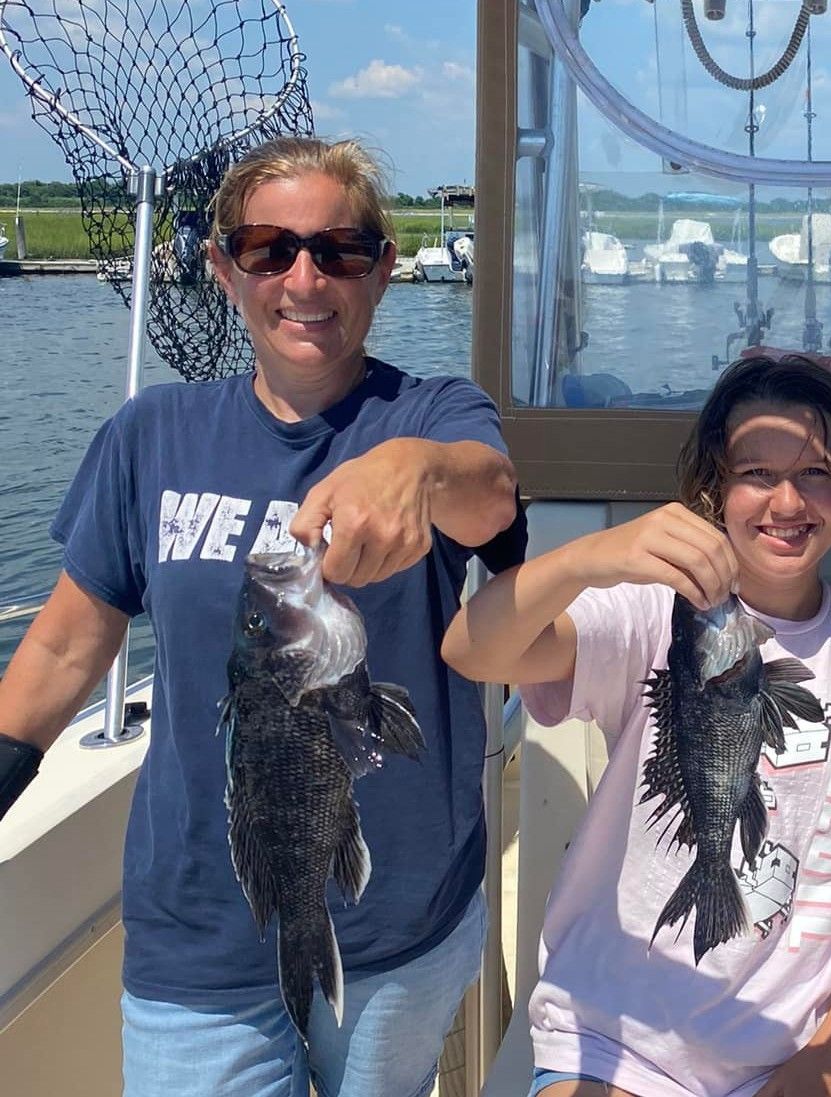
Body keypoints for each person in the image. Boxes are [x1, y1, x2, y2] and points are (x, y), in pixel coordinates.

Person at [0, 136, 524, 1097]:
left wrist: (420, 468)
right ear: (223, 268)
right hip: (197, 931)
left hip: (398, 926)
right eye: (268, 250)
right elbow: (72, 639)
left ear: (383, 268)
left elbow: (492, 498)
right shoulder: (150, 435)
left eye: (340, 250)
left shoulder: (438, 411)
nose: (305, 278)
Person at [443, 354, 831, 1097]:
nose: (786, 500)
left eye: (816, 472)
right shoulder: (646, 613)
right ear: (712, 490)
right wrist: (591, 558)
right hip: (614, 1034)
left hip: (800, 1051)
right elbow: (472, 648)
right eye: (755, 472)